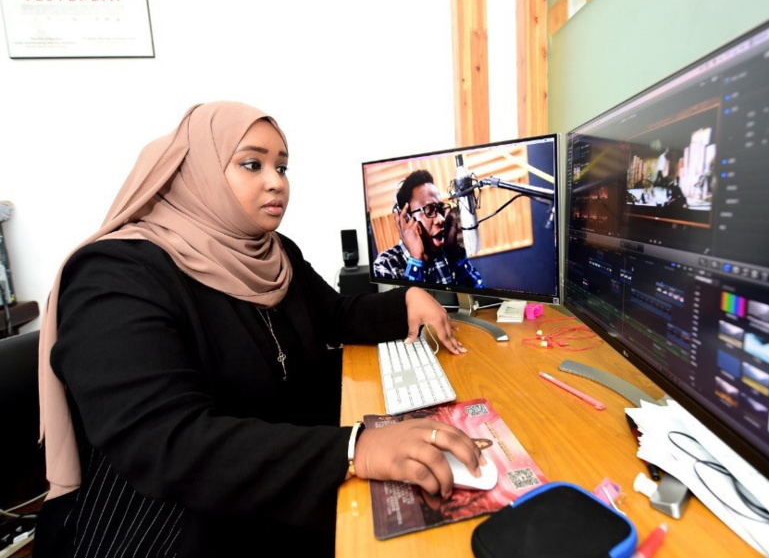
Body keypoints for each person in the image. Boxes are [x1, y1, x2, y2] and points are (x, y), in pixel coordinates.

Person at [34, 102, 485, 558]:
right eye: (252, 164)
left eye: (282, 167)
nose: (277, 182)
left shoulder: (273, 252)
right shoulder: (115, 275)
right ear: (196, 172)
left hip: (276, 479)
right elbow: (165, 443)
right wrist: (353, 449)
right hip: (173, 521)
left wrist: (404, 301)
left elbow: (332, 315)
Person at [372, 169, 484, 287]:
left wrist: (454, 252)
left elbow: (478, 297)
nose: (441, 219)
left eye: (440, 209)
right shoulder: (385, 265)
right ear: (406, 219)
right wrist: (416, 260)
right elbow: (407, 304)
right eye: (429, 210)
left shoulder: (447, 255)